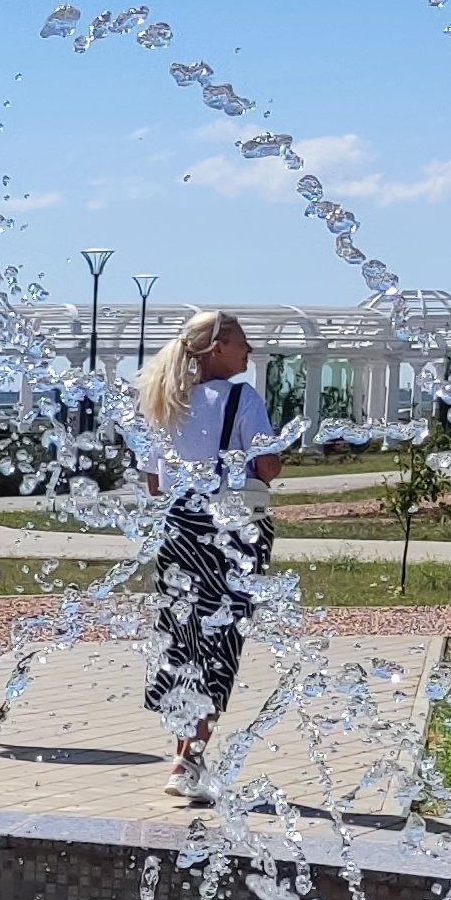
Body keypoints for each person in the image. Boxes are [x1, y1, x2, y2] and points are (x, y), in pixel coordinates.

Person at [131, 308, 283, 799]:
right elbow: (269, 466)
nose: (249, 351)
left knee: (184, 638)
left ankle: (184, 754)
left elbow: (155, 484)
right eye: (242, 342)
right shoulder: (242, 397)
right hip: (231, 536)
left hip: (178, 532)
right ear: (218, 349)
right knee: (221, 641)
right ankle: (187, 764)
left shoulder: (165, 402)